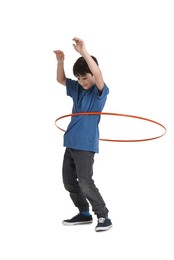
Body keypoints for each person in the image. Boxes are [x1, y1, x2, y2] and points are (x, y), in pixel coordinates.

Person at [54, 37, 112, 232]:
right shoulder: (78, 89)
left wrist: (83, 52)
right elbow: (61, 80)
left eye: (85, 77)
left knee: (85, 182)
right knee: (68, 181)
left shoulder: (98, 92)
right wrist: (61, 62)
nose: (82, 82)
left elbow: (97, 72)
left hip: (85, 145)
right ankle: (84, 213)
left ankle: (103, 215)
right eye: (79, 78)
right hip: (70, 142)